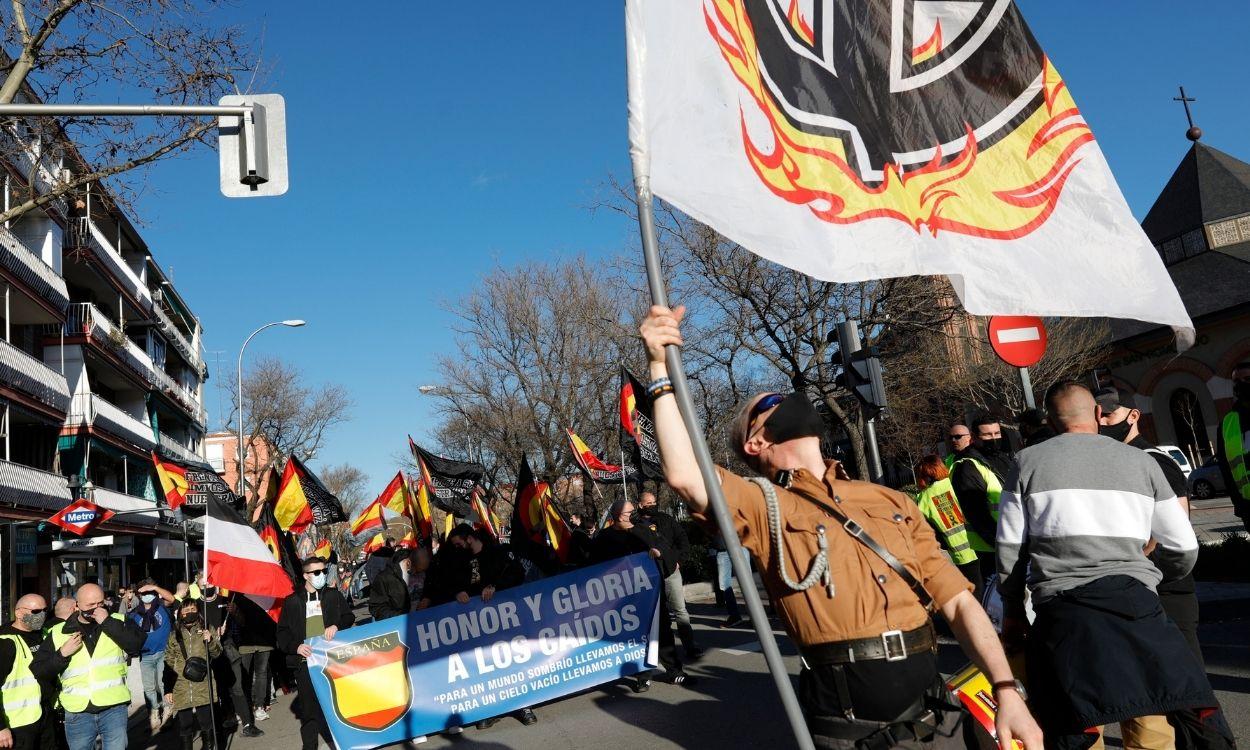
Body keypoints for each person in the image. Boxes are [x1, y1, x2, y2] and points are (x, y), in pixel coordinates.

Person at [640, 304, 1041, 749]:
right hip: (848, 724)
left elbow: (960, 604)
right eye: (772, 404)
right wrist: (659, 369)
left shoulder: (888, 498)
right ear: (757, 442)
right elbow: (685, 474)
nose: (787, 401)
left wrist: (1006, 690)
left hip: (937, 712)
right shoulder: (762, 503)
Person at [997, 381, 1220, 750]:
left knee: (1078, 722)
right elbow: (1182, 545)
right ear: (1098, 415)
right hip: (1135, 608)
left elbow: (1010, 548)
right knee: (1150, 712)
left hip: (1063, 614)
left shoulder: (1026, 463)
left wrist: (1012, 609)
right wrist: (1152, 577)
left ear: (1051, 422)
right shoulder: (1141, 462)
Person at [1096, 386, 1235, 750]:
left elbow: (1177, 529)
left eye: (1109, 415)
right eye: (1097, 415)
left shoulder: (1154, 459)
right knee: (1156, 693)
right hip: (1135, 590)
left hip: (1168, 589)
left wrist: (1139, 559)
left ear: (1133, 415)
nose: (1102, 422)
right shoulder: (1110, 461)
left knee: (1189, 692)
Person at [441, 527, 536, 729]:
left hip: (504, 617)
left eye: (459, 543)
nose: (457, 548)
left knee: (511, 660)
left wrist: (495, 586)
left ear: (469, 538)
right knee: (486, 664)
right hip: (476, 622)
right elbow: (448, 581)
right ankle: (493, 709)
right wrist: (457, 592)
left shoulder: (497, 552)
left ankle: (524, 705)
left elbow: (517, 572)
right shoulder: (460, 560)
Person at [30, 583, 146, 750]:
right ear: (76, 606)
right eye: (90, 605)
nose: (96, 608)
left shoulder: (118, 621)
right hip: (78, 711)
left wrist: (107, 622)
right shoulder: (58, 632)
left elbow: (136, 644)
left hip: (113, 707)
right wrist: (62, 654)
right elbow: (39, 670)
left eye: (100, 603)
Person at [592, 498, 691, 692]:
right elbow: (594, 567)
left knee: (662, 630)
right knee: (635, 637)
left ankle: (674, 671)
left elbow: (665, 548)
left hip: (652, 593)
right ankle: (642, 676)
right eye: (630, 513)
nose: (634, 516)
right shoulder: (603, 538)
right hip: (623, 598)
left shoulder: (644, 531)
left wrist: (659, 552)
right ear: (619, 516)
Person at [276, 557, 354, 750]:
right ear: (305, 576)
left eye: (324, 571)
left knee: (338, 706)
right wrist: (296, 647)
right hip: (305, 664)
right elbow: (282, 633)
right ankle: (309, 746)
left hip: (333, 661)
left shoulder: (333, 595)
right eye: (317, 572)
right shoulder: (292, 601)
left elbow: (348, 616)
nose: (322, 576)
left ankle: (346, 743)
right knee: (309, 711)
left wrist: (337, 625)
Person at [950, 414, 1016, 584]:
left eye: (996, 433)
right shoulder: (968, 466)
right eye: (987, 435)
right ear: (974, 437)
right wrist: (1002, 545)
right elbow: (977, 516)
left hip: (1013, 542)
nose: (993, 438)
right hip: (993, 549)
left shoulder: (1002, 458)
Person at [636, 491, 702, 659]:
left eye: (654, 502)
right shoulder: (634, 525)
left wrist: (679, 561)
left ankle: (690, 646)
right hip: (649, 577)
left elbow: (682, 539)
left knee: (680, 611)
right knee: (658, 616)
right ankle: (662, 653)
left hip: (670, 573)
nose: (652, 505)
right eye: (648, 503)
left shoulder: (666, 520)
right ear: (640, 505)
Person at [912, 456, 981, 594]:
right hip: (981, 543)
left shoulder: (923, 498)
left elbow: (928, 532)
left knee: (975, 592)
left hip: (960, 554)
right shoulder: (954, 482)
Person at [201, 587, 263, 738]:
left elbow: (242, 622)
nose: (207, 584)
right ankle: (225, 720)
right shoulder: (196, 605)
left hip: (229, 650)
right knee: (219, 690)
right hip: (208, 653)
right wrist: (213, 635)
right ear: (198, 581)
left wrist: (235, 611)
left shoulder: (225, 600)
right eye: (203, 580)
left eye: (209, 580)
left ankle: (248, 724)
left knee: (237, 687)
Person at [163, 598, 221, 750]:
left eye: (193, 610)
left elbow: (217, 654)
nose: (189, 613)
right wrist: (168, 688)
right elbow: (168, 661)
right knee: (185, 725)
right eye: (186, 610)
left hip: (203, 683)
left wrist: (211, 641)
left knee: (205, 722)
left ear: (199, 611)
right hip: (181, 685)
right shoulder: (174, 634)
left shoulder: (206, 628)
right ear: (180, 613)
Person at [0, 594, 56, 750]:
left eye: (45, 610)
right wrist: (1, 728)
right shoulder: (5, 641)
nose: (42, 615)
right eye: (36, 611)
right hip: (18, 724)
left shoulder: (44, 634)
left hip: (44, 716)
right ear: (18, 613)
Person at [127, 580, 173, 732]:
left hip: (163, 652)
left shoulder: (161, 605)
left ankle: (168, 710)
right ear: (139, 595)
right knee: (148, 688)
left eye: (150, 593)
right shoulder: (134, 614)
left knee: (162, 683)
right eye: (144, 593)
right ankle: (154, 711)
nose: (147, 596)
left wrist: (155, 587)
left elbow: (172, 599)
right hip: (145, 655)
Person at [1216, 360, 1250, 533]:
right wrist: (1239, 503)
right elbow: (1226, 469)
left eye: (1247, 379)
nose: (1242, 385)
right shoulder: (1227, 423)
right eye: (1237, 381)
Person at [232, 595, 276, 725]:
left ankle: (259, 706)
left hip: (264, 639)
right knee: (245, 675)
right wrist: (235, 612)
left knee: (261, 673)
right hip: (246, 641)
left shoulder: (266, 594)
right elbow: (241, 622)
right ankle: (245, 708)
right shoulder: (239, 596)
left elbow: (271, 616)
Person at [710, 529, 747, 628]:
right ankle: (735, 617)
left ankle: (756, 617)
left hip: (740, 546)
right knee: (725, 585)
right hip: (723, 550)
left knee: (747, 583)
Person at [368, 548, 413, 622]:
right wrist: (398, 617)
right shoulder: (383, 578)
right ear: (408, 562)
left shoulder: (418, 574)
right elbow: (376, 607)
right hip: (398, 624)